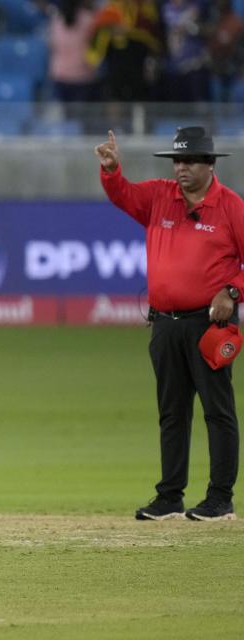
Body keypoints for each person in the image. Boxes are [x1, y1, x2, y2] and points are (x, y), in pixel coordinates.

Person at [95, 126, 243, 522]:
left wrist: (232, 291)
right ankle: (170, 497)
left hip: (208, 325)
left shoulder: (230, 206)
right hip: (164, 324)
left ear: (210, 165)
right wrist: (112, 171)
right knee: (172, 412)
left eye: (189, 160)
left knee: (217, 411)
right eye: (177, 160)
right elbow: (123, 195)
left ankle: (220, 497)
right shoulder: (160, 196)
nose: (181, 168)